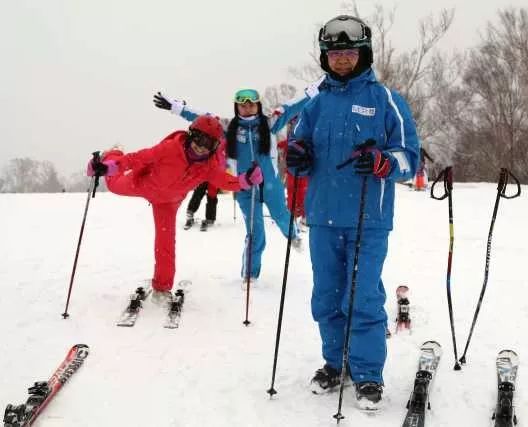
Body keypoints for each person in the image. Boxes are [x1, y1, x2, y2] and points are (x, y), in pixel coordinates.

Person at [286, 15, 419, 410]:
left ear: (364, 54)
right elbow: (297, 154)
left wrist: (384, 162)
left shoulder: (386, 100)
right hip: (323, 216)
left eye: (349, 53)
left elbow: (410, 159)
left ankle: (367, 374)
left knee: (361, 297)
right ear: (326, 58)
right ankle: (335, 363)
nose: (342, 60)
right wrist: (297, 156)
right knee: (326, 297)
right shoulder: (315, 103)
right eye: (334, 54)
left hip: (368, 219)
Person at [86, 115, 264, 299]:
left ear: (214, 147)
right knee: (114, 186)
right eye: (198, 139)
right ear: (190, 135)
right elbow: (137, 159)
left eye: (208, 143)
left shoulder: (208, 166)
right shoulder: (170, 149)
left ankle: (162, 287)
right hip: (144, 184)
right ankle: (113, 153)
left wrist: (245, 180)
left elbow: (224, 180)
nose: (201, 146)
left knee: (166, 243)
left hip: (168, 203)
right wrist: (107, 167)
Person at [153, 89, 302, 283]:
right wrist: (175, 107)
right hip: (245, 187)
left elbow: (294, 105)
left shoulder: (270, 122)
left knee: (282, 216)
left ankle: (294, 236)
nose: (247, 108)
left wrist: (322, 86)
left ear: (257, 105)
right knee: (255, 233)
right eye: (243, 105)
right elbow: (201, 117)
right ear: (237, 106)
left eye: (251, 104)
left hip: (270, 185)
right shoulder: (228, 126)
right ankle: (250, 276)